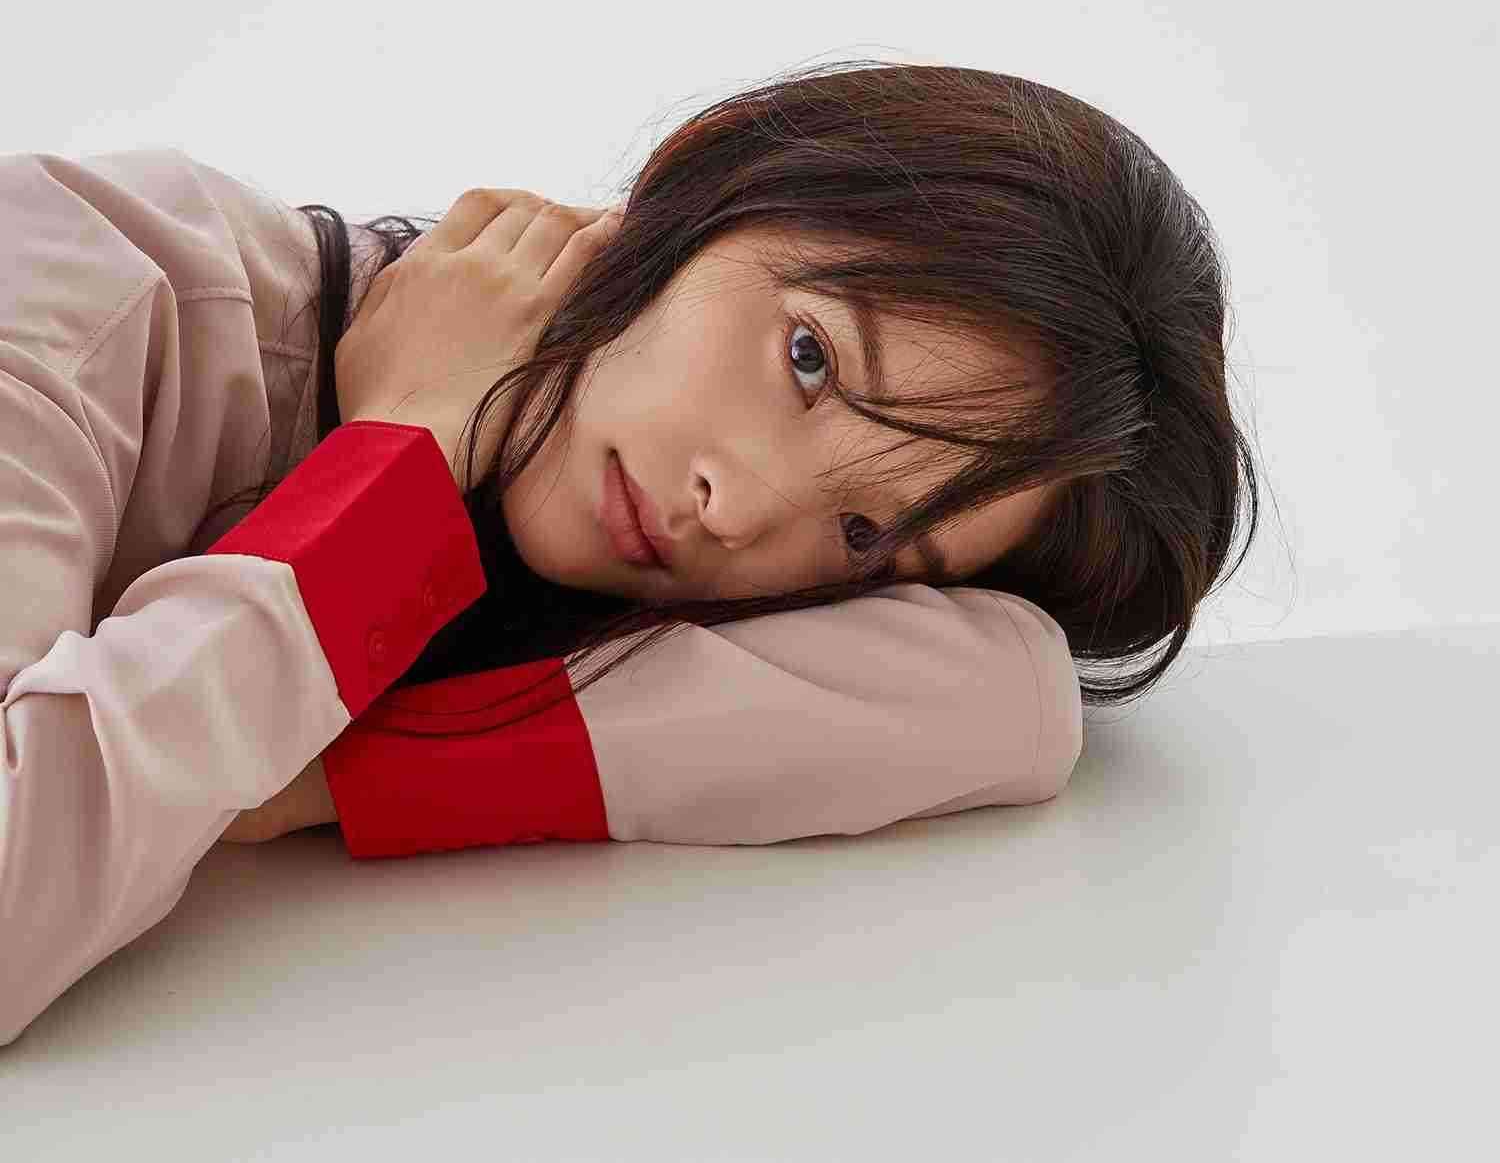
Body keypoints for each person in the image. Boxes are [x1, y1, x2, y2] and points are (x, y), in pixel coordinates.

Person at [0, 59, 1262, 1045]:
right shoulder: (86, 280)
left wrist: (322, 772)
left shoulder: (609, 578)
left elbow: (1009, 694)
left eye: (866, 535)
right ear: (701, 180)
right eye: (809, 358)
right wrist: (400, 459)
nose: (740, 506)